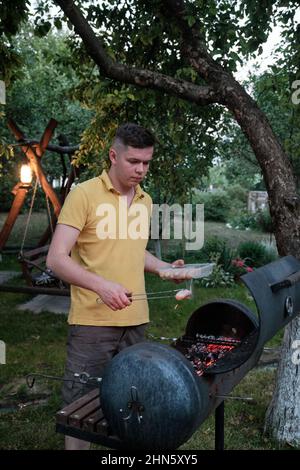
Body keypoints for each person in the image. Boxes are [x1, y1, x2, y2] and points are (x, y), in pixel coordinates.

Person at [46, 123, 185, 450]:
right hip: (93, 323)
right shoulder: (84, 194)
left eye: (147, 163)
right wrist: (102, 287)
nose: (141, 169)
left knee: (128, 407)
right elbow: (56, 258)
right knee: (80, 412)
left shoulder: (145, 200)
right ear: (113, 155)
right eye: (134, 161)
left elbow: (135, 251)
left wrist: (165, 269)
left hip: (136, 320)